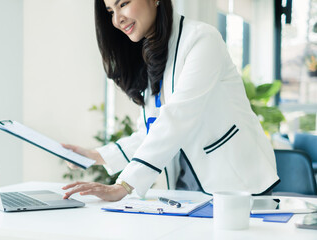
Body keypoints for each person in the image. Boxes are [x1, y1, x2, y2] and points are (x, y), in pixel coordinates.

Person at [62, 0, 280, 201]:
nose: (117, 19)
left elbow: (177, 118)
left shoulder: (202, 39)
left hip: (236, 186)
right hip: (187, 190)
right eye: (111, 11)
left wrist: (124, 185)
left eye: (124, 4)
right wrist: (95, 155)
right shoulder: (153, 54)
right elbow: (151, 131)